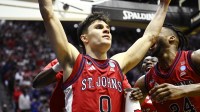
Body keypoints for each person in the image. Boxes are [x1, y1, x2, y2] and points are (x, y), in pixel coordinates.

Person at [37, 0, 171, 111]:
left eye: (107, 28)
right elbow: (49, 15)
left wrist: (164, 5)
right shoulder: (74, 61)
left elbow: (149, 37)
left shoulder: (117, 63)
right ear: (84, 38)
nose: (106, 29)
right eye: (99, 27)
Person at [134, 24, 200, 112]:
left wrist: (182, 90)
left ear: (171, 38)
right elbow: (131, 108)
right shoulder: (143, 82)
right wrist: (130, 98)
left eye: (155, 33)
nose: (150, 38)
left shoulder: (195, 57)